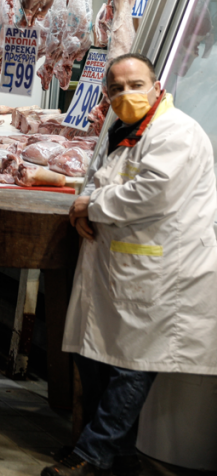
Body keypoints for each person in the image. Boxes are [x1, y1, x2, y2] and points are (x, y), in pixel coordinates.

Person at [47, 54, 217, 476]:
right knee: (96, 357)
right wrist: (84, 205)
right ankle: (115, 455)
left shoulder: (176, 132)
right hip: (121, 268)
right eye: (117, 88)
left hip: (161, 272)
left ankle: (93, 454)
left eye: (136, 84)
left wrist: (92, 205)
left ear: (157, 86)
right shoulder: (125, 131)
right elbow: (101, 180)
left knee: (131, 366)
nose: (127, 94)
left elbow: (152, 193)